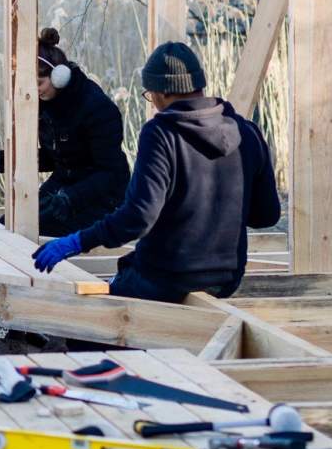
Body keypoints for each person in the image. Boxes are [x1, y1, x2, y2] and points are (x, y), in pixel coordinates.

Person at [31, 41, 281, 302]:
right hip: (226, 279)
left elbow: (138, 217)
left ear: (161, 93)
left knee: (89, 312)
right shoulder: (248, 131)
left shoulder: (161, 134)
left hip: (165, 278)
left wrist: (78, 242)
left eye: (150, 95)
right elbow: (267, 215)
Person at [0, 27, 129, 237]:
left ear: (59, 76)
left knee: (31, 232)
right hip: (64, 186)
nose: (35, 90)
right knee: (9, 224)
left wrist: (72, 197)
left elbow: (109, 173)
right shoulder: (44, 103)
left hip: (103, 197)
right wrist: (11, 160)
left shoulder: (97, 108)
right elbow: (59, 157)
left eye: (39, 83)